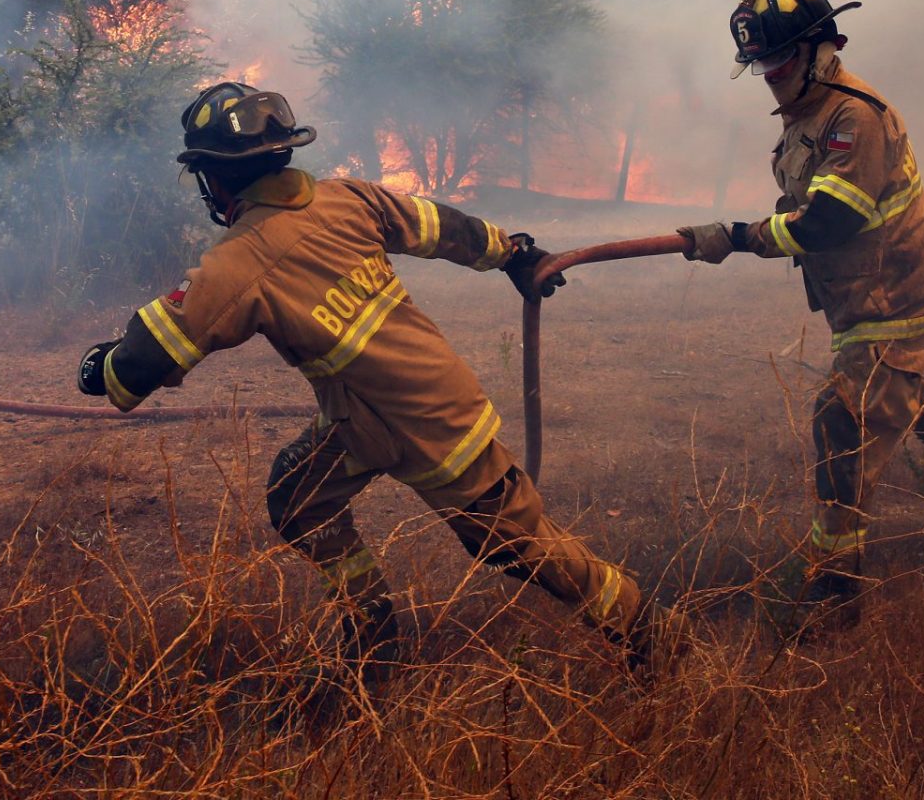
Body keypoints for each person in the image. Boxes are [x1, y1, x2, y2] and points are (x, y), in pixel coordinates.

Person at [78, 81, 664, 669]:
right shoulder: (344, 198)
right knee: (299, 495)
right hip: (369, 419)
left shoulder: (239, 261)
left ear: (215, 175)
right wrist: (511, 253)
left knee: (515, 546)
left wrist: (99, 368)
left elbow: (143, 362)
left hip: (428, 426)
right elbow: (439, 227)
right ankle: (372, 629)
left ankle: (648, 631)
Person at [676, 0, 924, 620]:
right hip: (882, 295)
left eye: (780, 60)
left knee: (841, 424)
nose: (769, 75)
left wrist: (736, 237)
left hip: (888, 302)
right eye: (760, 64)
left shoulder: (853, 117)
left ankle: (834, 587)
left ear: (824, 50)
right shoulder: (809, 116)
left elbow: (829, 223)